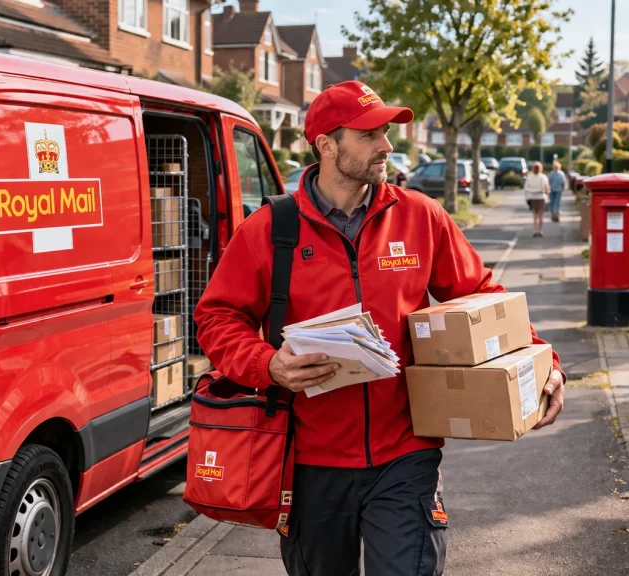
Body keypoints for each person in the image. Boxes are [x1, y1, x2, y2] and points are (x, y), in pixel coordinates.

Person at [193, 80, 566, 576]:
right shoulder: (269, 230)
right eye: (370, 134)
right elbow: (217, 318)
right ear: (327, 144)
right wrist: (268, 364)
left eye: (387, 132)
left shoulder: (420, 217)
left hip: (405, 453)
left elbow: (483, 298)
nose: (387, 146)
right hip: (307, 460)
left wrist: (544, 362)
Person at [524, 161, 551, 237]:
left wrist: (529, 194)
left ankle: (535, 230)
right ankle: (540, 230)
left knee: (535, 216)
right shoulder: (543, 177)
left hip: (533, 198)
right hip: (541, 197)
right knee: (541, 216)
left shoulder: (529, 177)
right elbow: (547, 188)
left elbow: (526, 188)